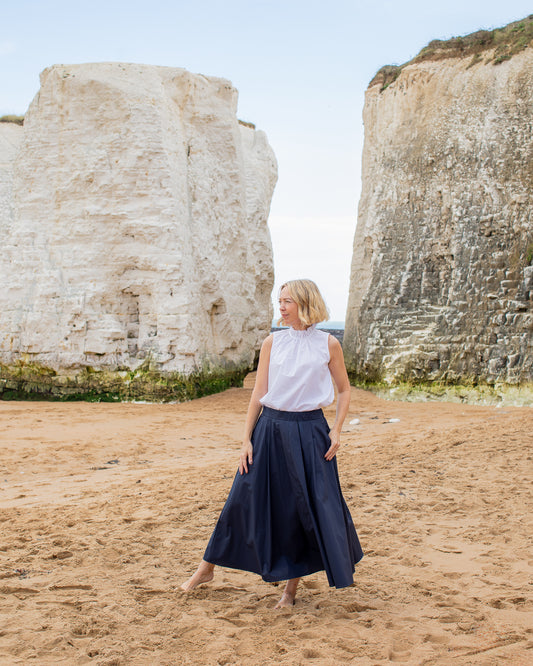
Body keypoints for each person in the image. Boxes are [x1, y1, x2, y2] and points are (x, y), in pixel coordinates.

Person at [181, 279, 363, 608]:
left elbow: (345, 390)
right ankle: (205, 568)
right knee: (241, 498)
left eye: (288, 300)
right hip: (269, 429)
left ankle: (289, 591)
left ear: (306, 303)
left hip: (310, 433)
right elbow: (257, 393)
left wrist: (337, 430)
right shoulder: (271, 343)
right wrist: (246, 439)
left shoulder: (328, 344)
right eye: (280, 300)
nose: (281, 306)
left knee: (300, 509)